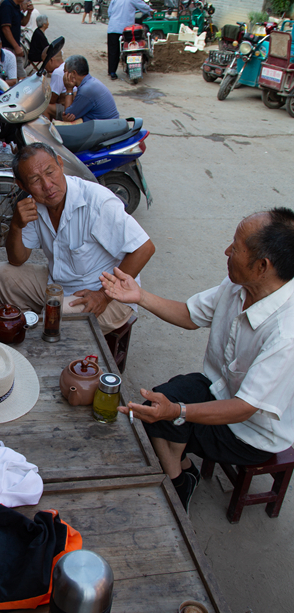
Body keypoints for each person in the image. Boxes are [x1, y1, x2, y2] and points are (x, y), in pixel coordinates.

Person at [100, 207, 294, 513]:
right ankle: (182, 474)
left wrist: (179, 411)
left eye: (236, 247)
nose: (226, 251)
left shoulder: (287, 333)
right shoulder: (237, 285)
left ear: (261, 266)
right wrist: (140, 296)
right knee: (157, 408)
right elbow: (191, 316)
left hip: (252, 431)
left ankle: (176, 486)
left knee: (165, 420)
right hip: (221, 389)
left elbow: (245, 407)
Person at [0, 143, 155, 333]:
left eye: (50, 172)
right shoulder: (33, 205)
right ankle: (30, 328)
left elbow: (145, 248)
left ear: (60, 164)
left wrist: (104, 295)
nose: (47, 185)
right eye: (35, 179)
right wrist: (16, 226)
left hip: (110, 297)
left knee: (56, 313)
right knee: (0, 274)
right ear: (22, 185)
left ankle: (40, 333)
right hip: (59, 285)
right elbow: (16, 259)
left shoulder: (97, 201)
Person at [107, 0, 152, 81]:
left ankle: (112, 72)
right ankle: (130, 68)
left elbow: (110, 12)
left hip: (113, 28)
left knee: (113, 51)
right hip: (127, 30)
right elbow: (144, 7)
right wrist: (151, 11)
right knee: (129, 48)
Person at [62, 55, 120, 122]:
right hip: (109, 124)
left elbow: (68, 116)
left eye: (65, 72)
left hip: (105, 129)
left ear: (73, 73)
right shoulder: (90, 82)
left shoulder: (86, 90)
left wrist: (69, 89)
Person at [0, 0, 33, 81]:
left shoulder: (15, 6)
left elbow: (23, 22)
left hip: (14, 48)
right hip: (8, 49)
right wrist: (16, 47)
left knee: (20, 76)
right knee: (15, 77)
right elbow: (5, 29)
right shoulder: (6, 6)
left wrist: (29, 12)